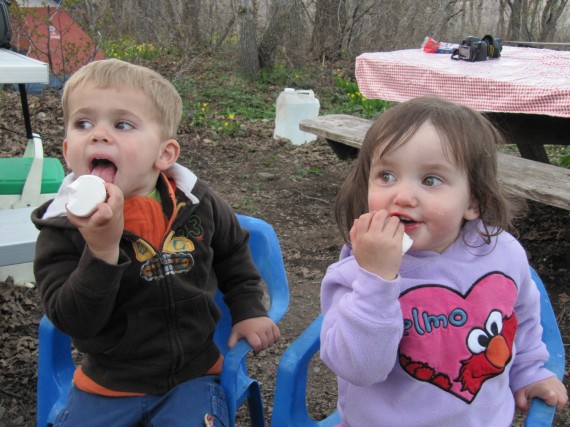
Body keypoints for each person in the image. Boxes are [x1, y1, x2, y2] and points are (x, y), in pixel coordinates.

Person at [31, 58, 280, 427]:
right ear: (68, 151)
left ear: (164, 154)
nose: (98, 134)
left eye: (122, 124)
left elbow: (232, 254)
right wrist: (100, 252)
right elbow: (73, 321)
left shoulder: (198, 204)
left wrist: (248, 309)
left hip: (193, 376)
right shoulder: (63, 228)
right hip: (108, 382)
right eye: (84, 123)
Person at [319, 96, 567, 426]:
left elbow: (519, 317)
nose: (402, 196)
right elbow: (361, 370)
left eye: (431, 180)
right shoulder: (356, 273)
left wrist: (530, 370)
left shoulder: (502, 255)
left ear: (474, 201)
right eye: (387, 176)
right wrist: (376, 280)